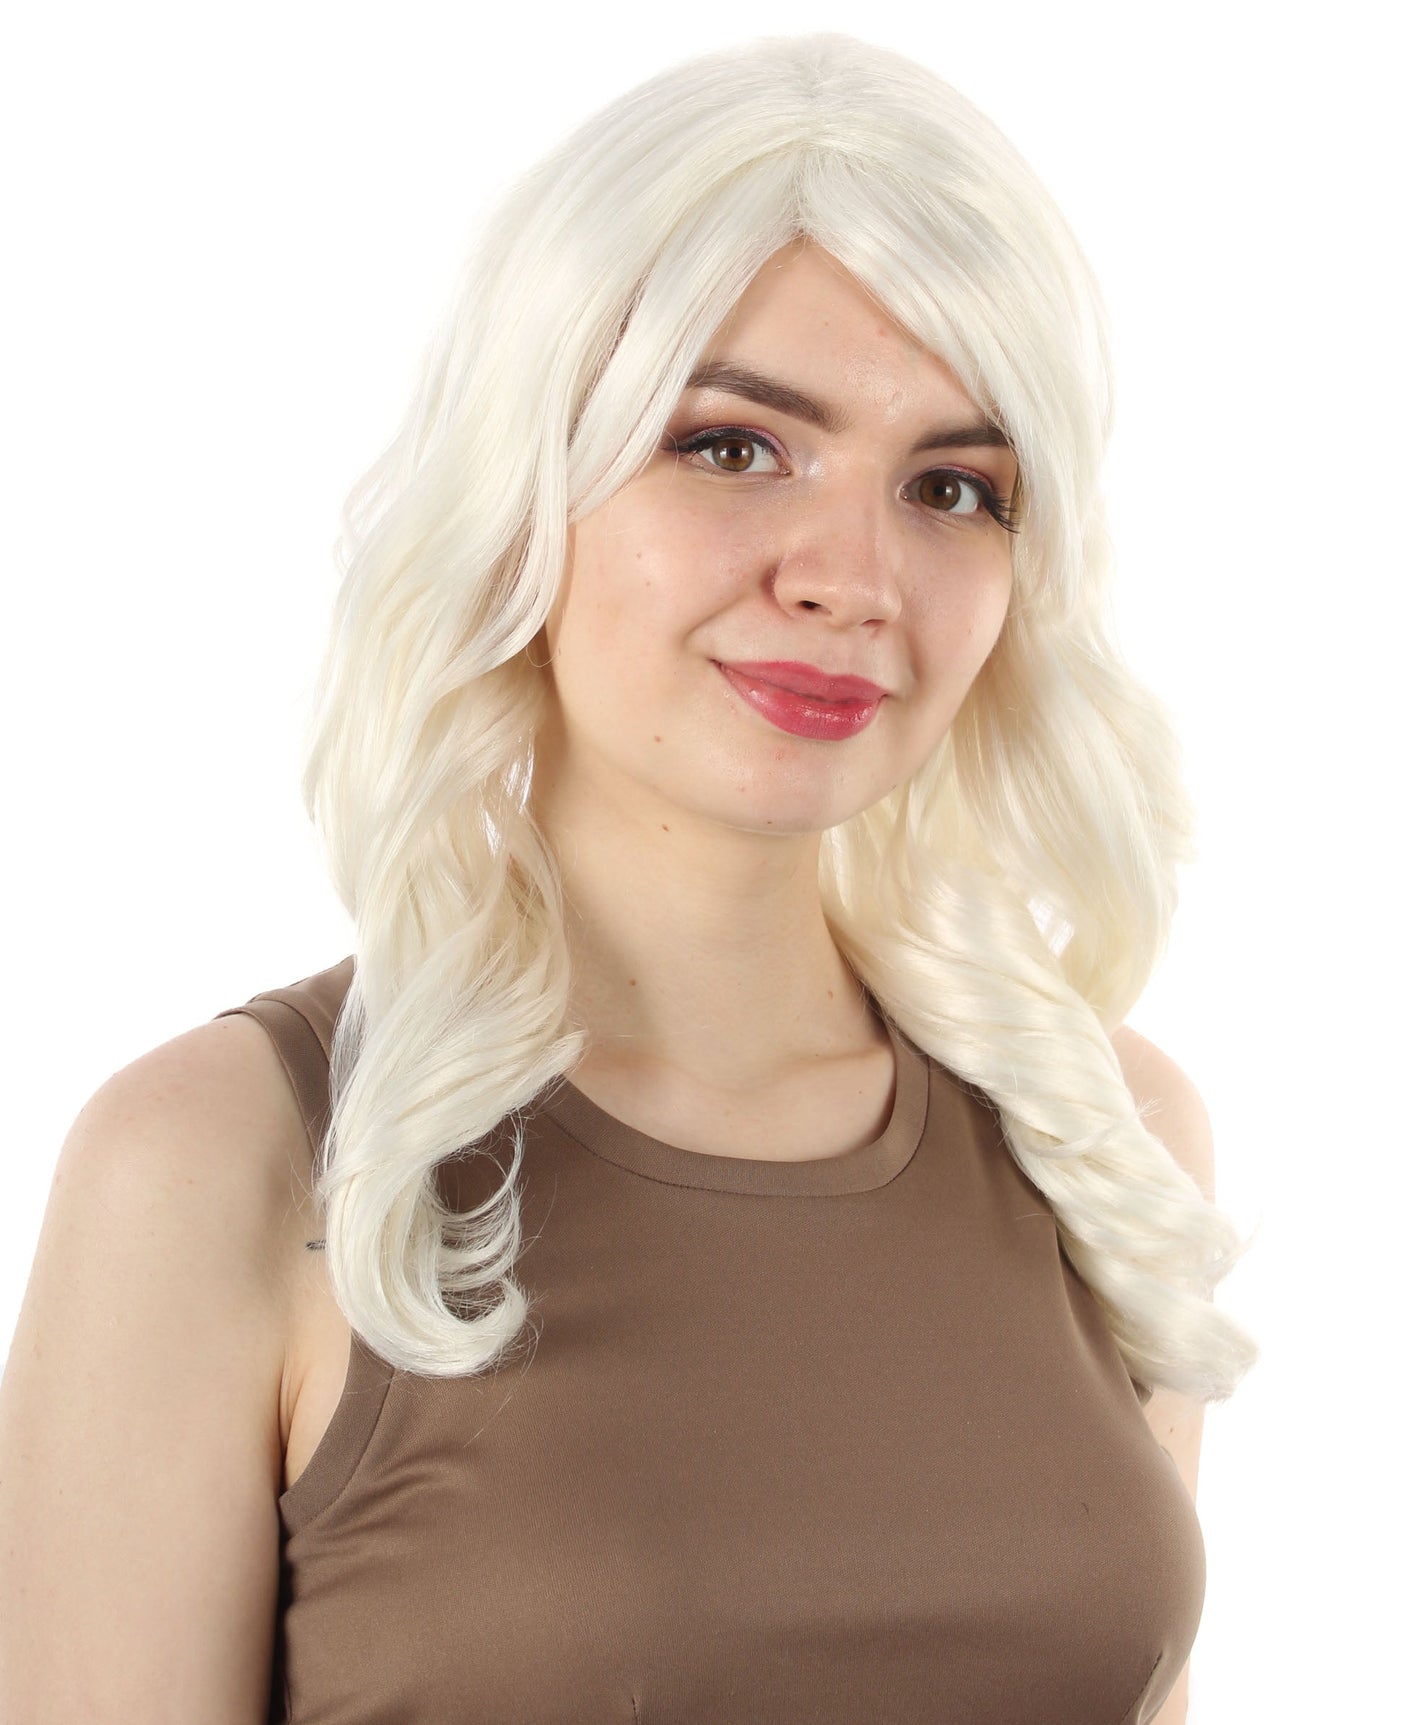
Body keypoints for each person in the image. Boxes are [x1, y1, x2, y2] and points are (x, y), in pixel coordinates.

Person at [0, 31, 1257, 1725]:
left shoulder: (1100, 1136)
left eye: (951, 486)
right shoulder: (225, 1161)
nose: (851, 575)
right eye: (733, 446)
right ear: (526, 483)